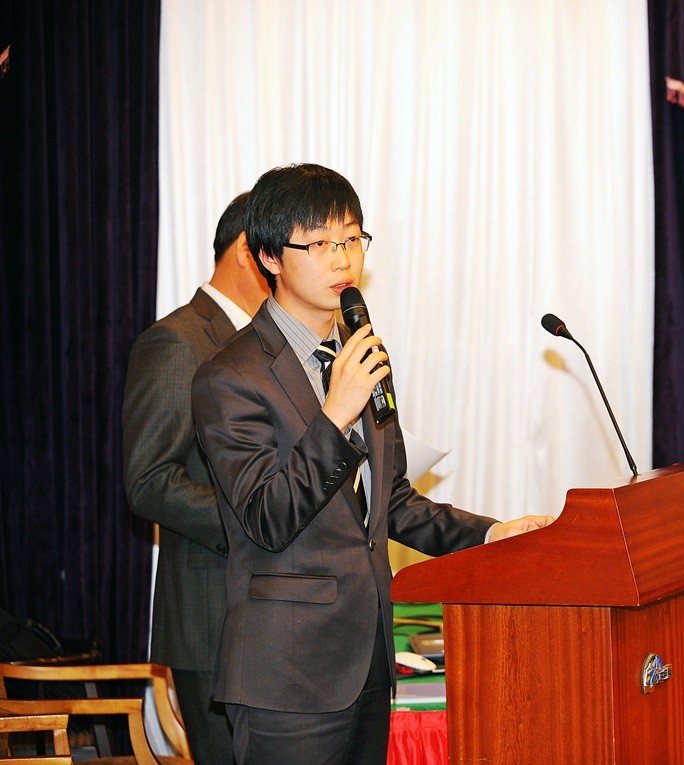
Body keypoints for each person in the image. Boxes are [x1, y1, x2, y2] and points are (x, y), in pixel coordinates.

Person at [190, 163, 553, 764]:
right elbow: (267, 517)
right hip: (287, 676)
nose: (343, 259)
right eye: (320, 244)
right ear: (269, 257)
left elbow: (394, 500)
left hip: (368, 664)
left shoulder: (359, 353)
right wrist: (335, 414)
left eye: (352, 239)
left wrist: (492, 536)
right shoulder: (229, 377)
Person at [122, 191, 270, 764]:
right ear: (248, 250)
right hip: (212, 617)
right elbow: (148, 478)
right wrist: (258, 519)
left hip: (276, 615)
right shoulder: (178, 341)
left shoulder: (272, 344)